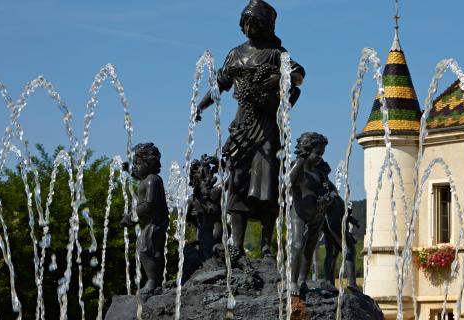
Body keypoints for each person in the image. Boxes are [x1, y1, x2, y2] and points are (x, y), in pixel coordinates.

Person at [196, 0, 305, 263]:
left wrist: (281, 78)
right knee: (236, 181)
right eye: (245, 22)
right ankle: (237, 244)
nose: (248, 27)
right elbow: (220, 83)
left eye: (253, 22)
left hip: (266, 125)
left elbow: (299, 75)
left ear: (265, 25)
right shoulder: (235, 54)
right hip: (242, 125)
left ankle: (267, 246)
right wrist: (201, 104)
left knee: (267, 183)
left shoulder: (277, 54)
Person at [289, 132, 336, 296]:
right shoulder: (298, 170)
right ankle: (292, 281)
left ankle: (302, 280)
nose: (320, 158)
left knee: (310, 249)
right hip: (299, 213)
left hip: (317, 215)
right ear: (306, 151)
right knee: (297, 245)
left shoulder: (319, 173)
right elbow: (286, 184)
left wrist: (328, 198)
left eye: (322, 154)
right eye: (317, 153)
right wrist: (300, 161)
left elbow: (333, 191)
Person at [120, 143, 169, 300]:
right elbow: (137, 175)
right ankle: (156, 282)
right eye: (134, 163)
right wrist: (128, 169)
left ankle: (153, 281)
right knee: (153, 250)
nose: (135, 167)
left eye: (137, 164)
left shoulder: (152, 180)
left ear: (149, 164)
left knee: (145, 250)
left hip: (154, 222)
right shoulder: (147, 179)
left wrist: (131, 216)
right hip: (149, 223)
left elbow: (149, 204)